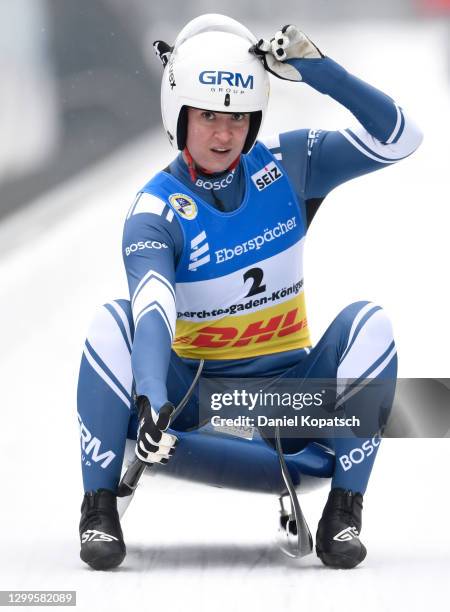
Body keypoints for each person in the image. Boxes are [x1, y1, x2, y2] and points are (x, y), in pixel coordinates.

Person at [77, 14, 423, 571]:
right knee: (109, 323)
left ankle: (345, 509)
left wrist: (319, 71)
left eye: (238, 118)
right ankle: (97, 509)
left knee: (372, 324)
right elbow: (152, 311)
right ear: (178, 116)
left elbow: (400, 137)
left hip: (287, 407)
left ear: (255, 120)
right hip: (188, 404)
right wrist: (148, 393)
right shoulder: (154, 212)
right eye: (209, 115)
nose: (222, 135)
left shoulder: (290, 164)